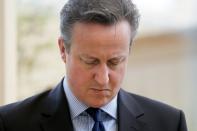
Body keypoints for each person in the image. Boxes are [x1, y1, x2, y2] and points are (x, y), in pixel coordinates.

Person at [0, 0, 187, 131]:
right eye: (90, 62)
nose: (103, 78)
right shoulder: (11, 124)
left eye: (115, 62)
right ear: (63, 49)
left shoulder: (169, 124)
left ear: (129, 50)